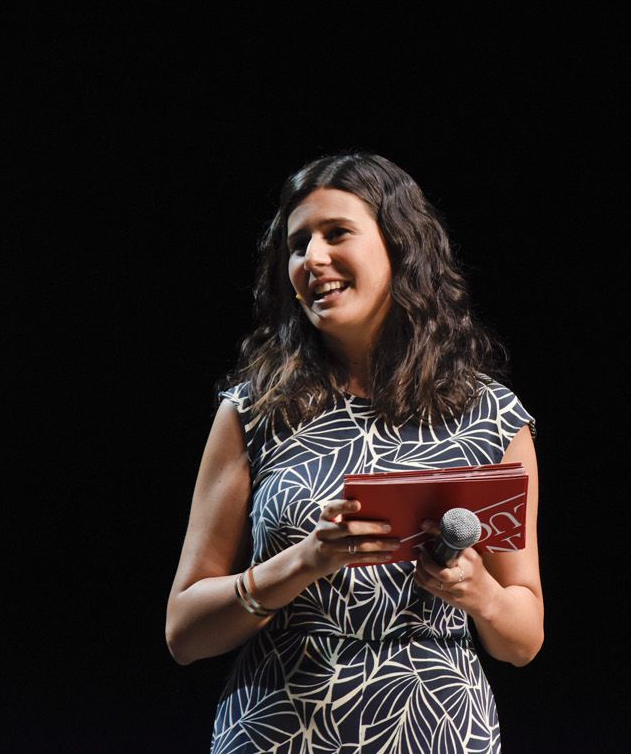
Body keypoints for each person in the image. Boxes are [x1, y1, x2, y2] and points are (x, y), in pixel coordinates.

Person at [166, 152, 542, 754]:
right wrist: (304, 562)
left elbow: (523, 639)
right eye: (297, 244)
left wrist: (480, 593)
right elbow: (184, 632)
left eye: (336, 233)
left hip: (440, 734)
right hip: (277, 734)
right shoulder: (253, 410)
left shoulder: (491, 414)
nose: (312, 259)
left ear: (401, 248)